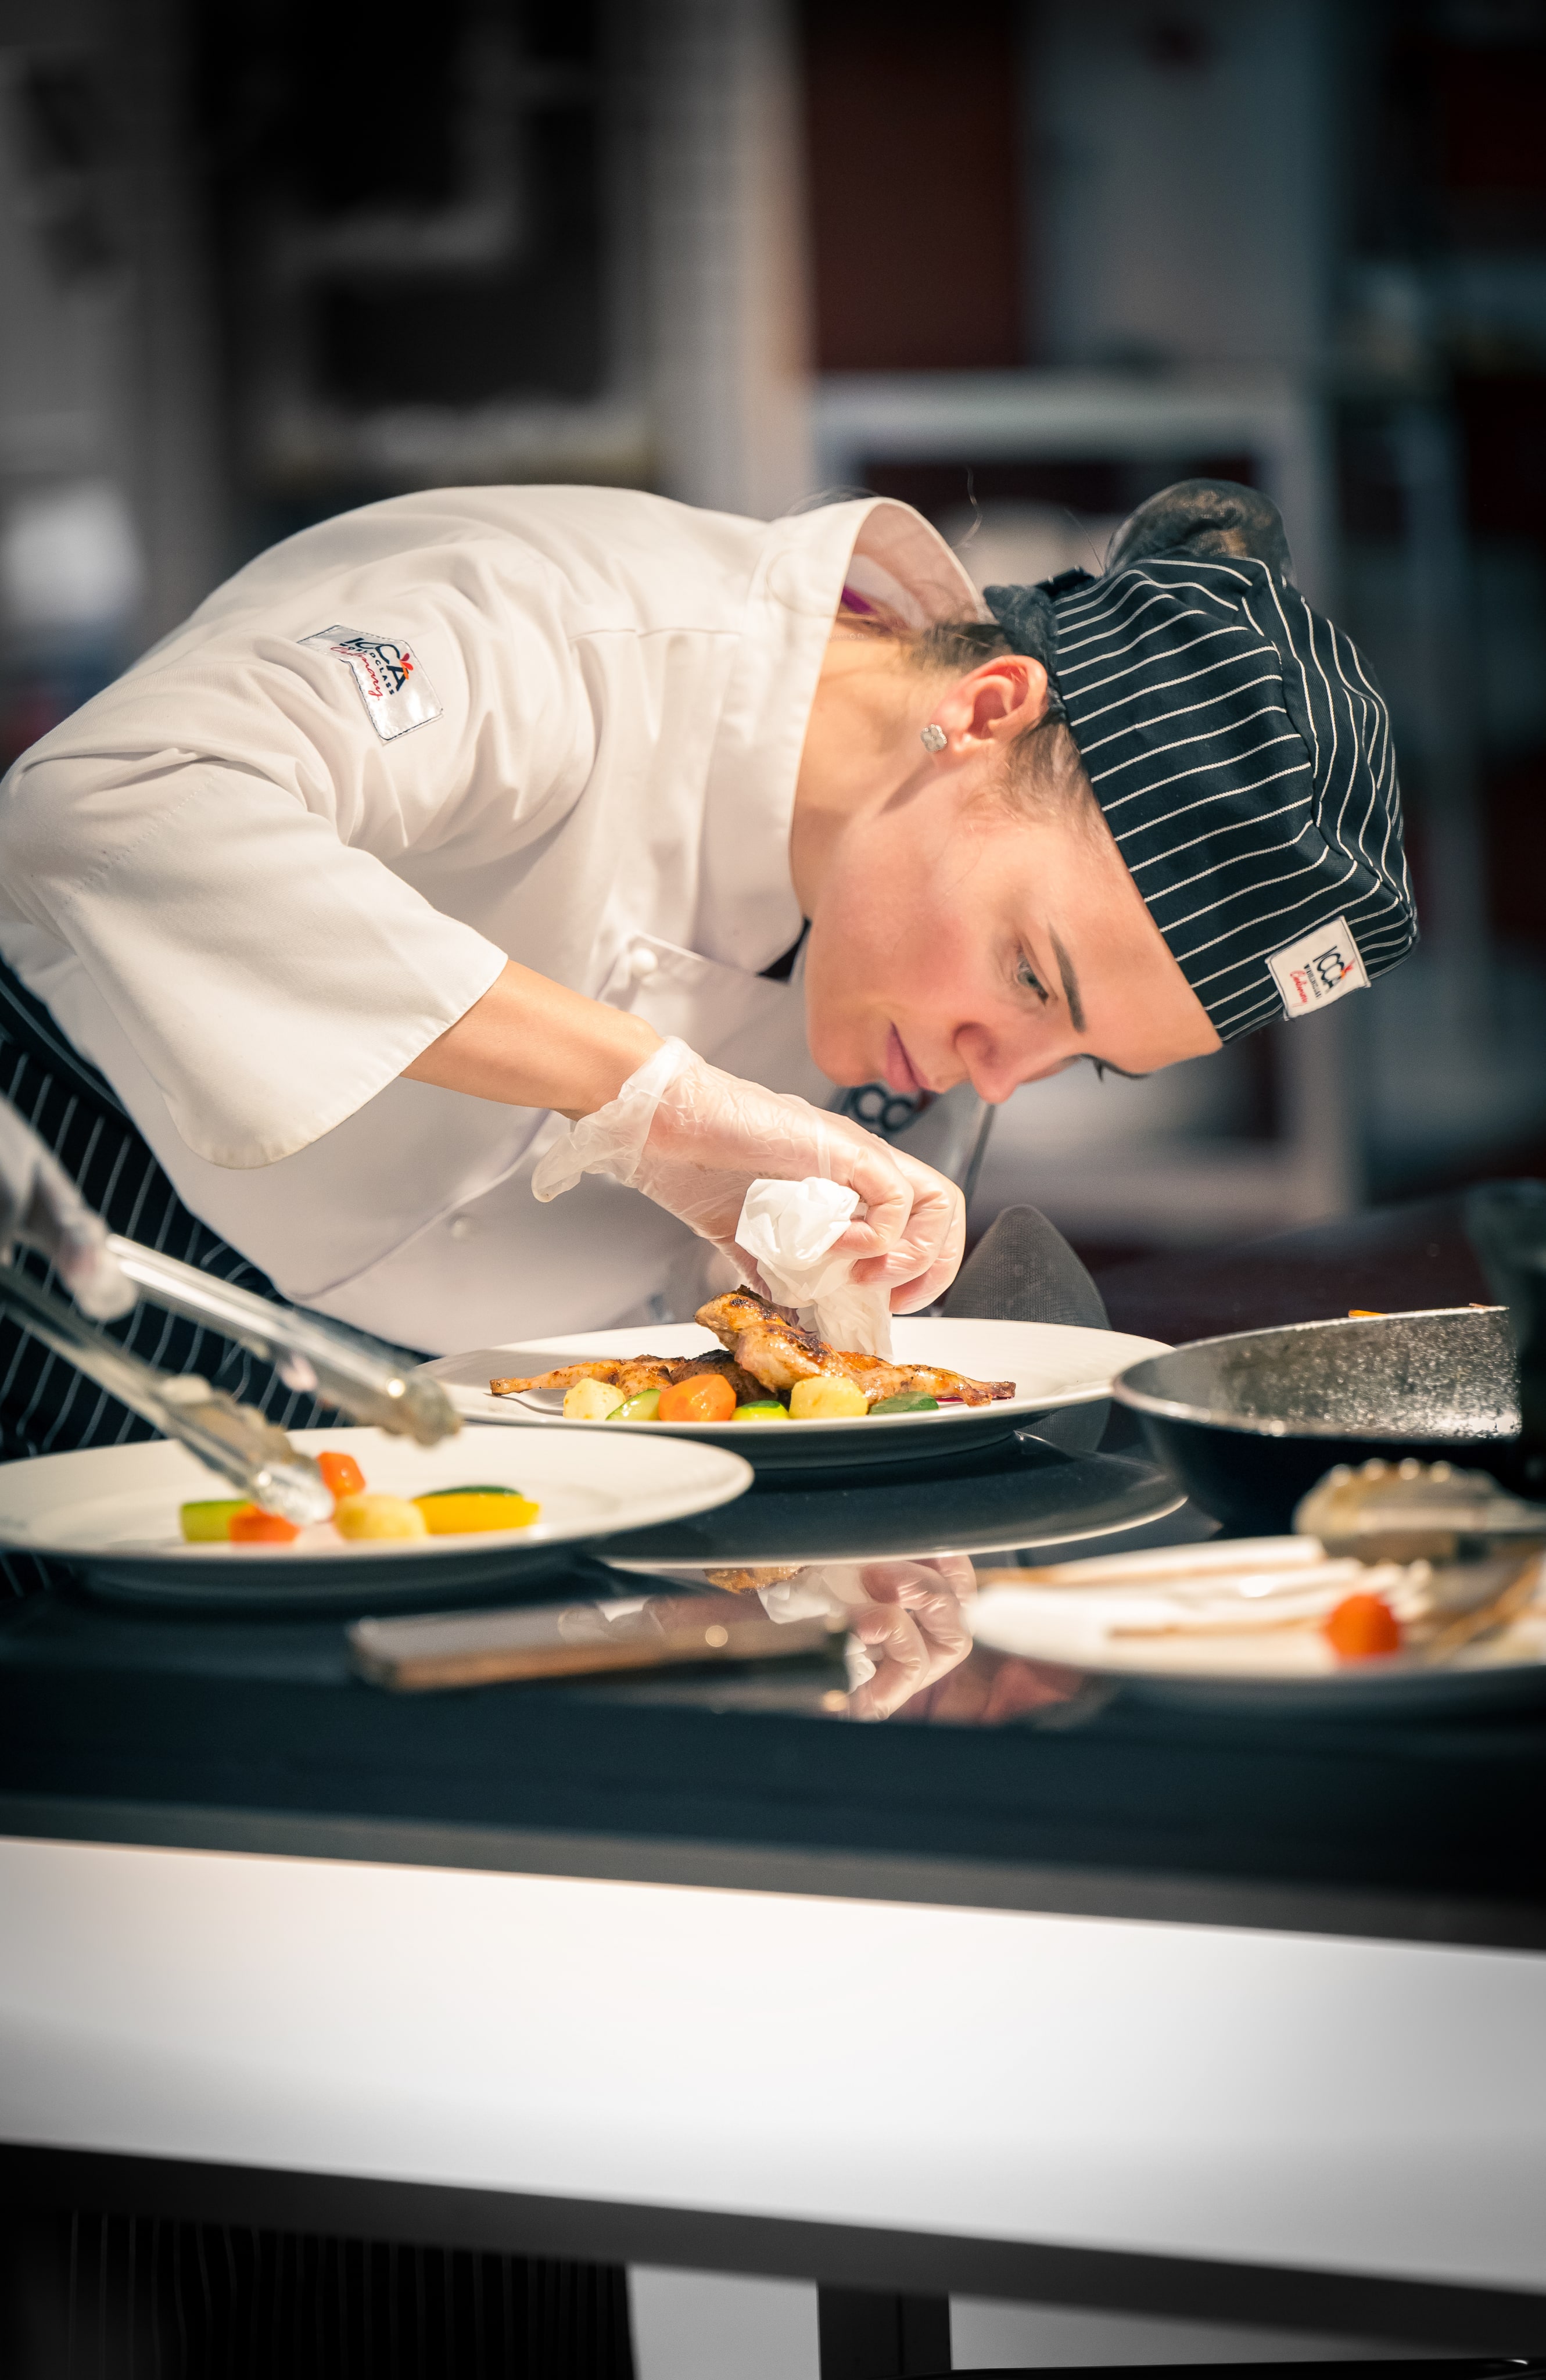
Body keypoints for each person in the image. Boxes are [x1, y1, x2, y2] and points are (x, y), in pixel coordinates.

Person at [0, 475, 1415, 1465]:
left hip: (417, 1450)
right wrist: (647, 1104)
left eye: (1080, 1056)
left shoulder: (920, 1022)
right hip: (64, 1217)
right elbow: (113, 800)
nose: (999, 1075)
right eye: (1035, 983)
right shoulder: (579, 626)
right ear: (983, 710)